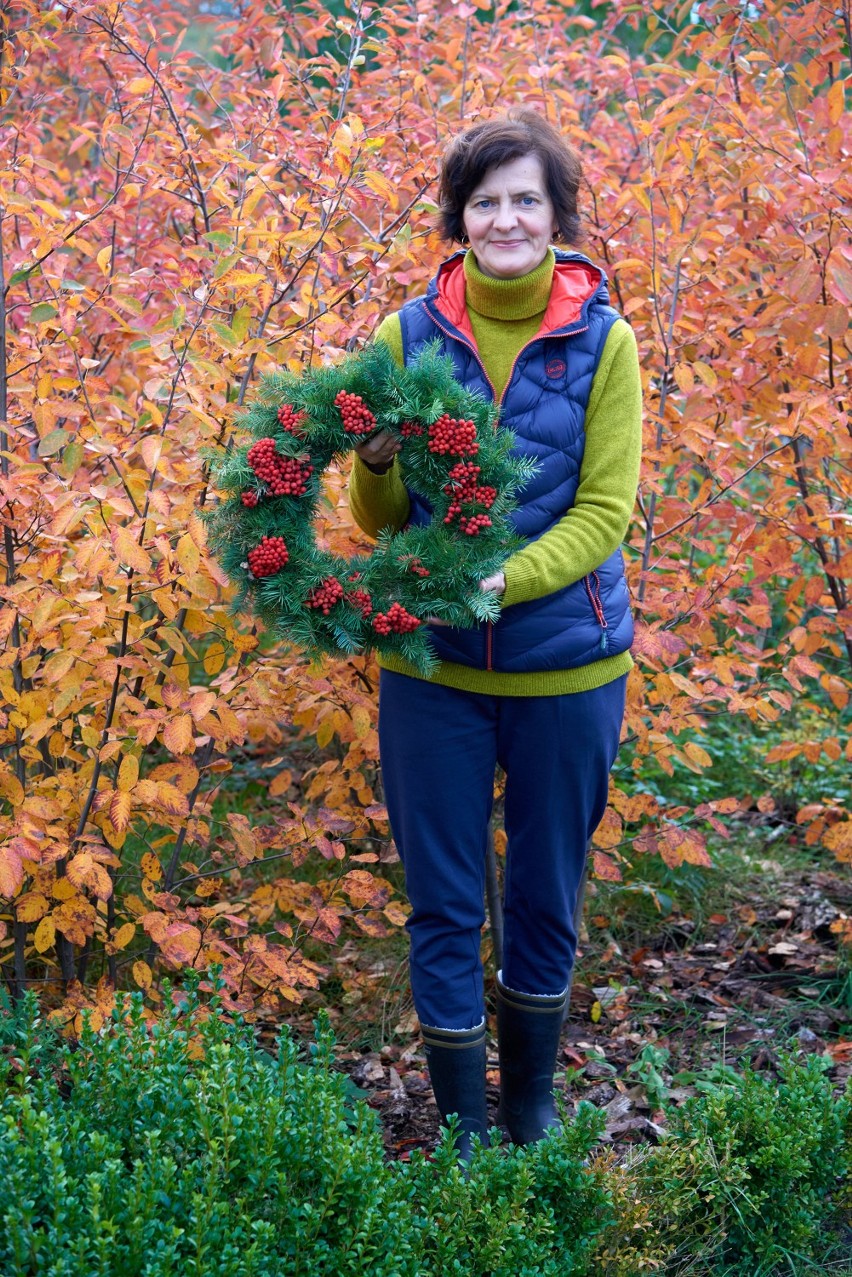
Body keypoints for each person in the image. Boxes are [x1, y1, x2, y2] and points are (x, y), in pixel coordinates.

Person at [348, 109, 642, 1160]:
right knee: (442, 901)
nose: (507, 217)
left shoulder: (606, 341)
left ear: (557, 214)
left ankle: (530, 1112)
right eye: (486, 201)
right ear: (459, 218)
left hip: (568, 666)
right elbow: (380, 523)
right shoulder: (404, 337)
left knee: (543, 896)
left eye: (527, 198)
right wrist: (377, 463)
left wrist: (507, 576)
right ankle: (468, 1132)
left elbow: (605, 512)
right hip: (431, 672)